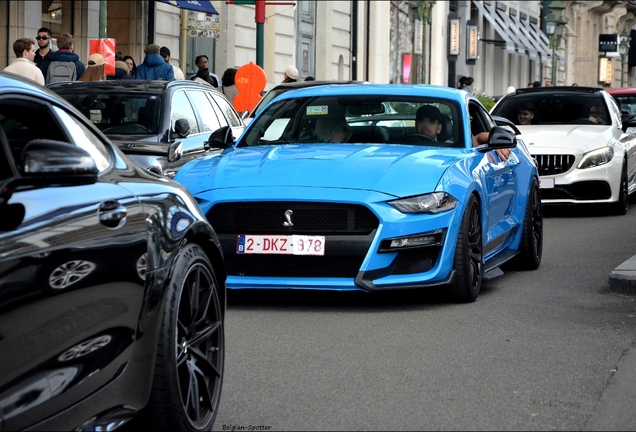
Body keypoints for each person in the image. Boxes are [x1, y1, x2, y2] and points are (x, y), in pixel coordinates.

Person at [415, 105, 510, 160]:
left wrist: (498, 142)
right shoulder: (400, 143)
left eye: (431, 121)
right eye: (421, 120)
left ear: (439, 128)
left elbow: (478, 138)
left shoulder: (454, 145)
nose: (425, 125)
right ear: (416, 125)